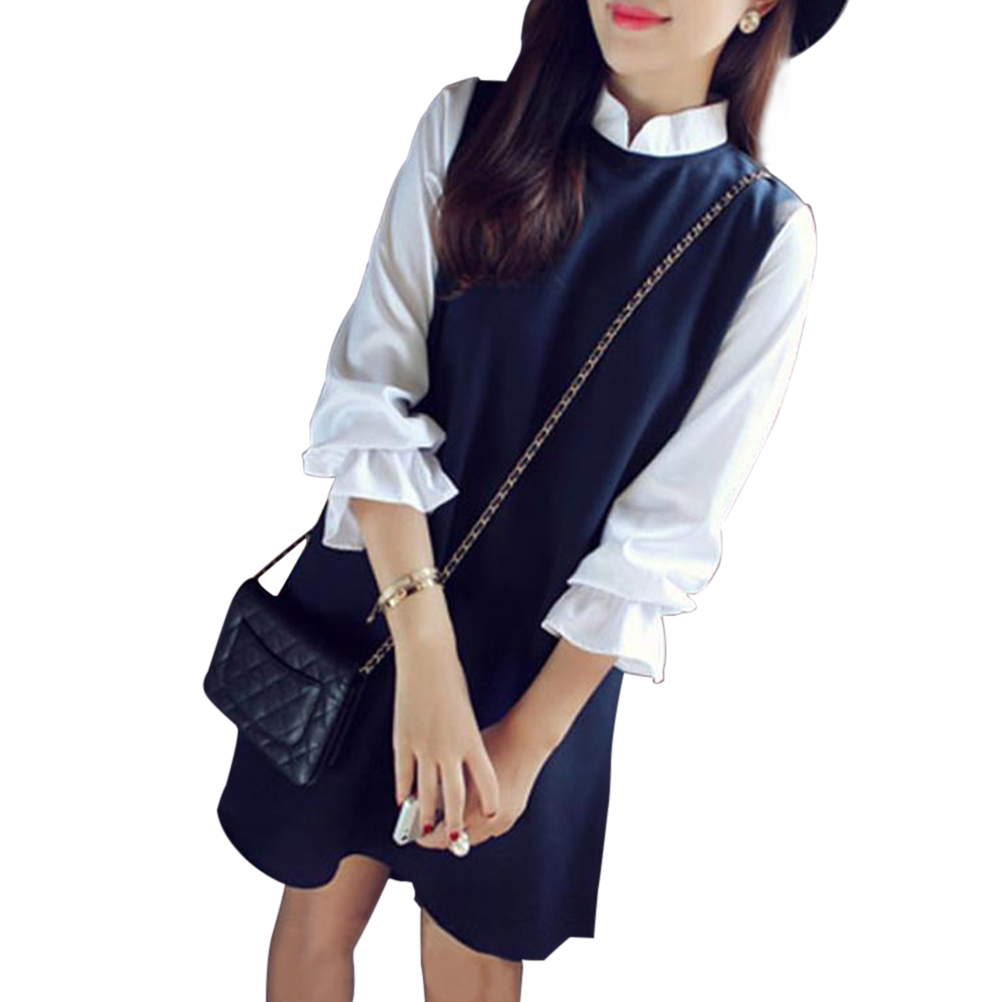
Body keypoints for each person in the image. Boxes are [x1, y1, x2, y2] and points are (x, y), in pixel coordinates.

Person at [213, 1, 849, 998]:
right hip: (377, 600)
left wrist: (527, 739)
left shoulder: (764, 237)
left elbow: (666, 532)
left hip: (542, 669)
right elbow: (370, 398)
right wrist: (425, 658)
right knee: (317, 912)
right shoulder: (468, 126)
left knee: (473, 951)